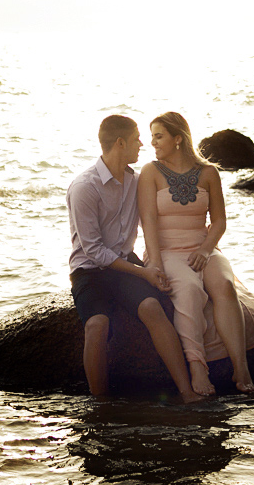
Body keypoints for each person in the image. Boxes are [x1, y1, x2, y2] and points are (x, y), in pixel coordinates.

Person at [138, 111, 254, 396]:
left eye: (159, 136)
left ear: (178, 139)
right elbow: (148, 221)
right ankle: (197, 366)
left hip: (203, 246)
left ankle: (241, 367)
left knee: (224, 285)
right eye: (152, 137)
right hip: (166, 250)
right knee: (189, 288)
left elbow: (220, 221)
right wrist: (157, 264)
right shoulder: (150, 172)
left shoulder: (209, 173)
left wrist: (204, 249)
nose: (153, 143)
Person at [67, 114, 204, 403]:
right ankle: (101, 404)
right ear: (120, 143)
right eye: (136, 139)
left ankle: (186, 391)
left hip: (124, 264)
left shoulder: (138, 182)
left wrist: (159, 262)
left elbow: (152, 221)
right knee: (97, 325)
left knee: (153, 307)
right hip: (88, 270)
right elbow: (93, 251)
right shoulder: (84, 187)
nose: (142, 144)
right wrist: (143, 272)